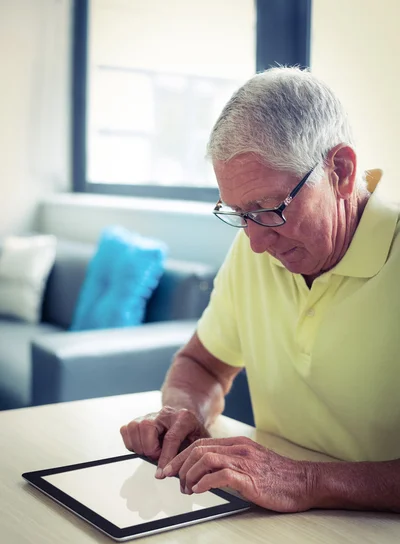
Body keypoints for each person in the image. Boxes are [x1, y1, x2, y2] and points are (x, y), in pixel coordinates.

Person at [120, 67, 400, 513]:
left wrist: (305, 479)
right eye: (237, 213)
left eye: (268, 209)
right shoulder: (256, 246)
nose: (254, 242)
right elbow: (201, 365)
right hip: (278, 530)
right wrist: (184, 414)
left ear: (341, 172)